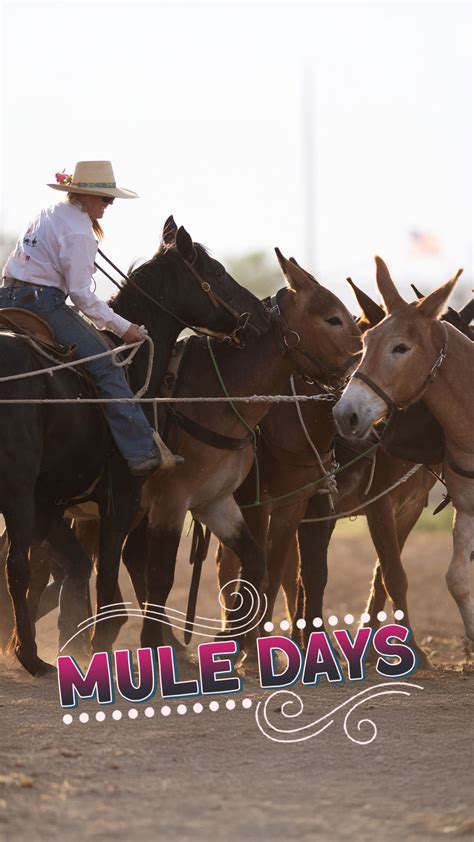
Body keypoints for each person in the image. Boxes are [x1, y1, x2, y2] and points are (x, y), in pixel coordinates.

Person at [1, 160, 180, 477]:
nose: (109, 205)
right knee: (107, 366)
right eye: (106, 199)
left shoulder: (51, 212)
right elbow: (81, 295)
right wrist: (123, 328)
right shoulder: (81, 233)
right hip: (43, 303)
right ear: (83, 195)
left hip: (6, 296)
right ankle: (141, 452)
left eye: (111, 200)